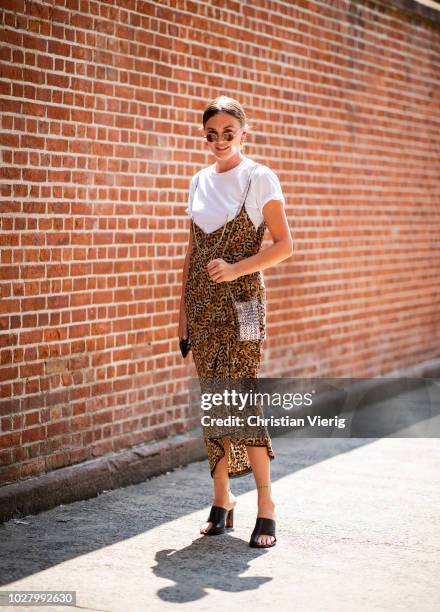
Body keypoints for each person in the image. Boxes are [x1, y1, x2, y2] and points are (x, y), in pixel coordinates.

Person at [178, 95, 293, 548]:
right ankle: (222, 500)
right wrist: (181, 317)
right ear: (204, 136)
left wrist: (235, 268)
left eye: (229, 133)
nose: (220, 141)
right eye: (211, 134)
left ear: (244, 133)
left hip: (244, 305)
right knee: (214, 401)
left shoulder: (259, 177)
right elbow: (191, 255)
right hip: (203, 307)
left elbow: (284, 245)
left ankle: (267, 504)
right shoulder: (198, 181)